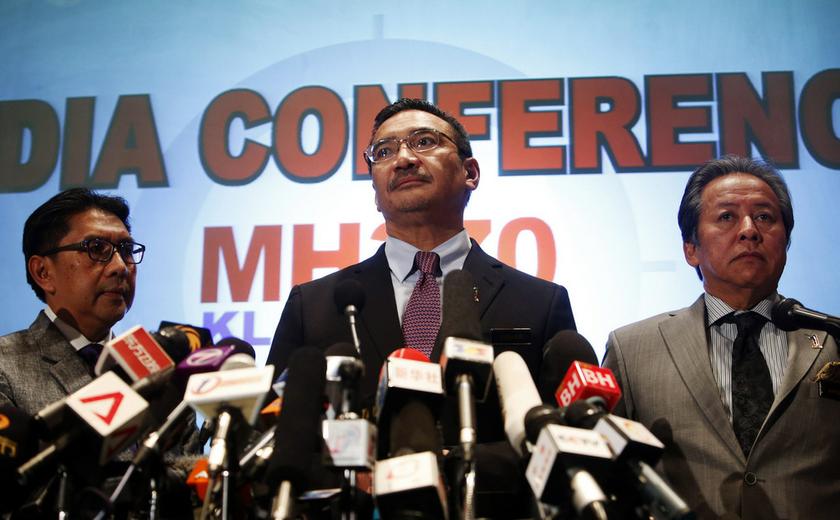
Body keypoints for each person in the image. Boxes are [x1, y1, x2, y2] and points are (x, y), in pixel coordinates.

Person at [267, 99, 577, 516]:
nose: (404, 159)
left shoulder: (539, 301)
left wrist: (444, 466)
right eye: (384, 151)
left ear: (470, 173)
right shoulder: (316, 304)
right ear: (374, 188)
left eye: (424, 142)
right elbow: (276, 438)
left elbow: (562, 446)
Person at [603, 155, 840, 519]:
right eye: (727, 217)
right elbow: (607, 480)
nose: (749, 230)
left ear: (786, 243)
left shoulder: (831, 339)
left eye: (764, 217)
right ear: (691, 249)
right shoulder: (632, 349)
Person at [0, 188, 144, 414]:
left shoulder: (154, 373)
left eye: (126, 250)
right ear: (43, 272)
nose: (120, 267)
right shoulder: (6, 367)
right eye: (96, 248)